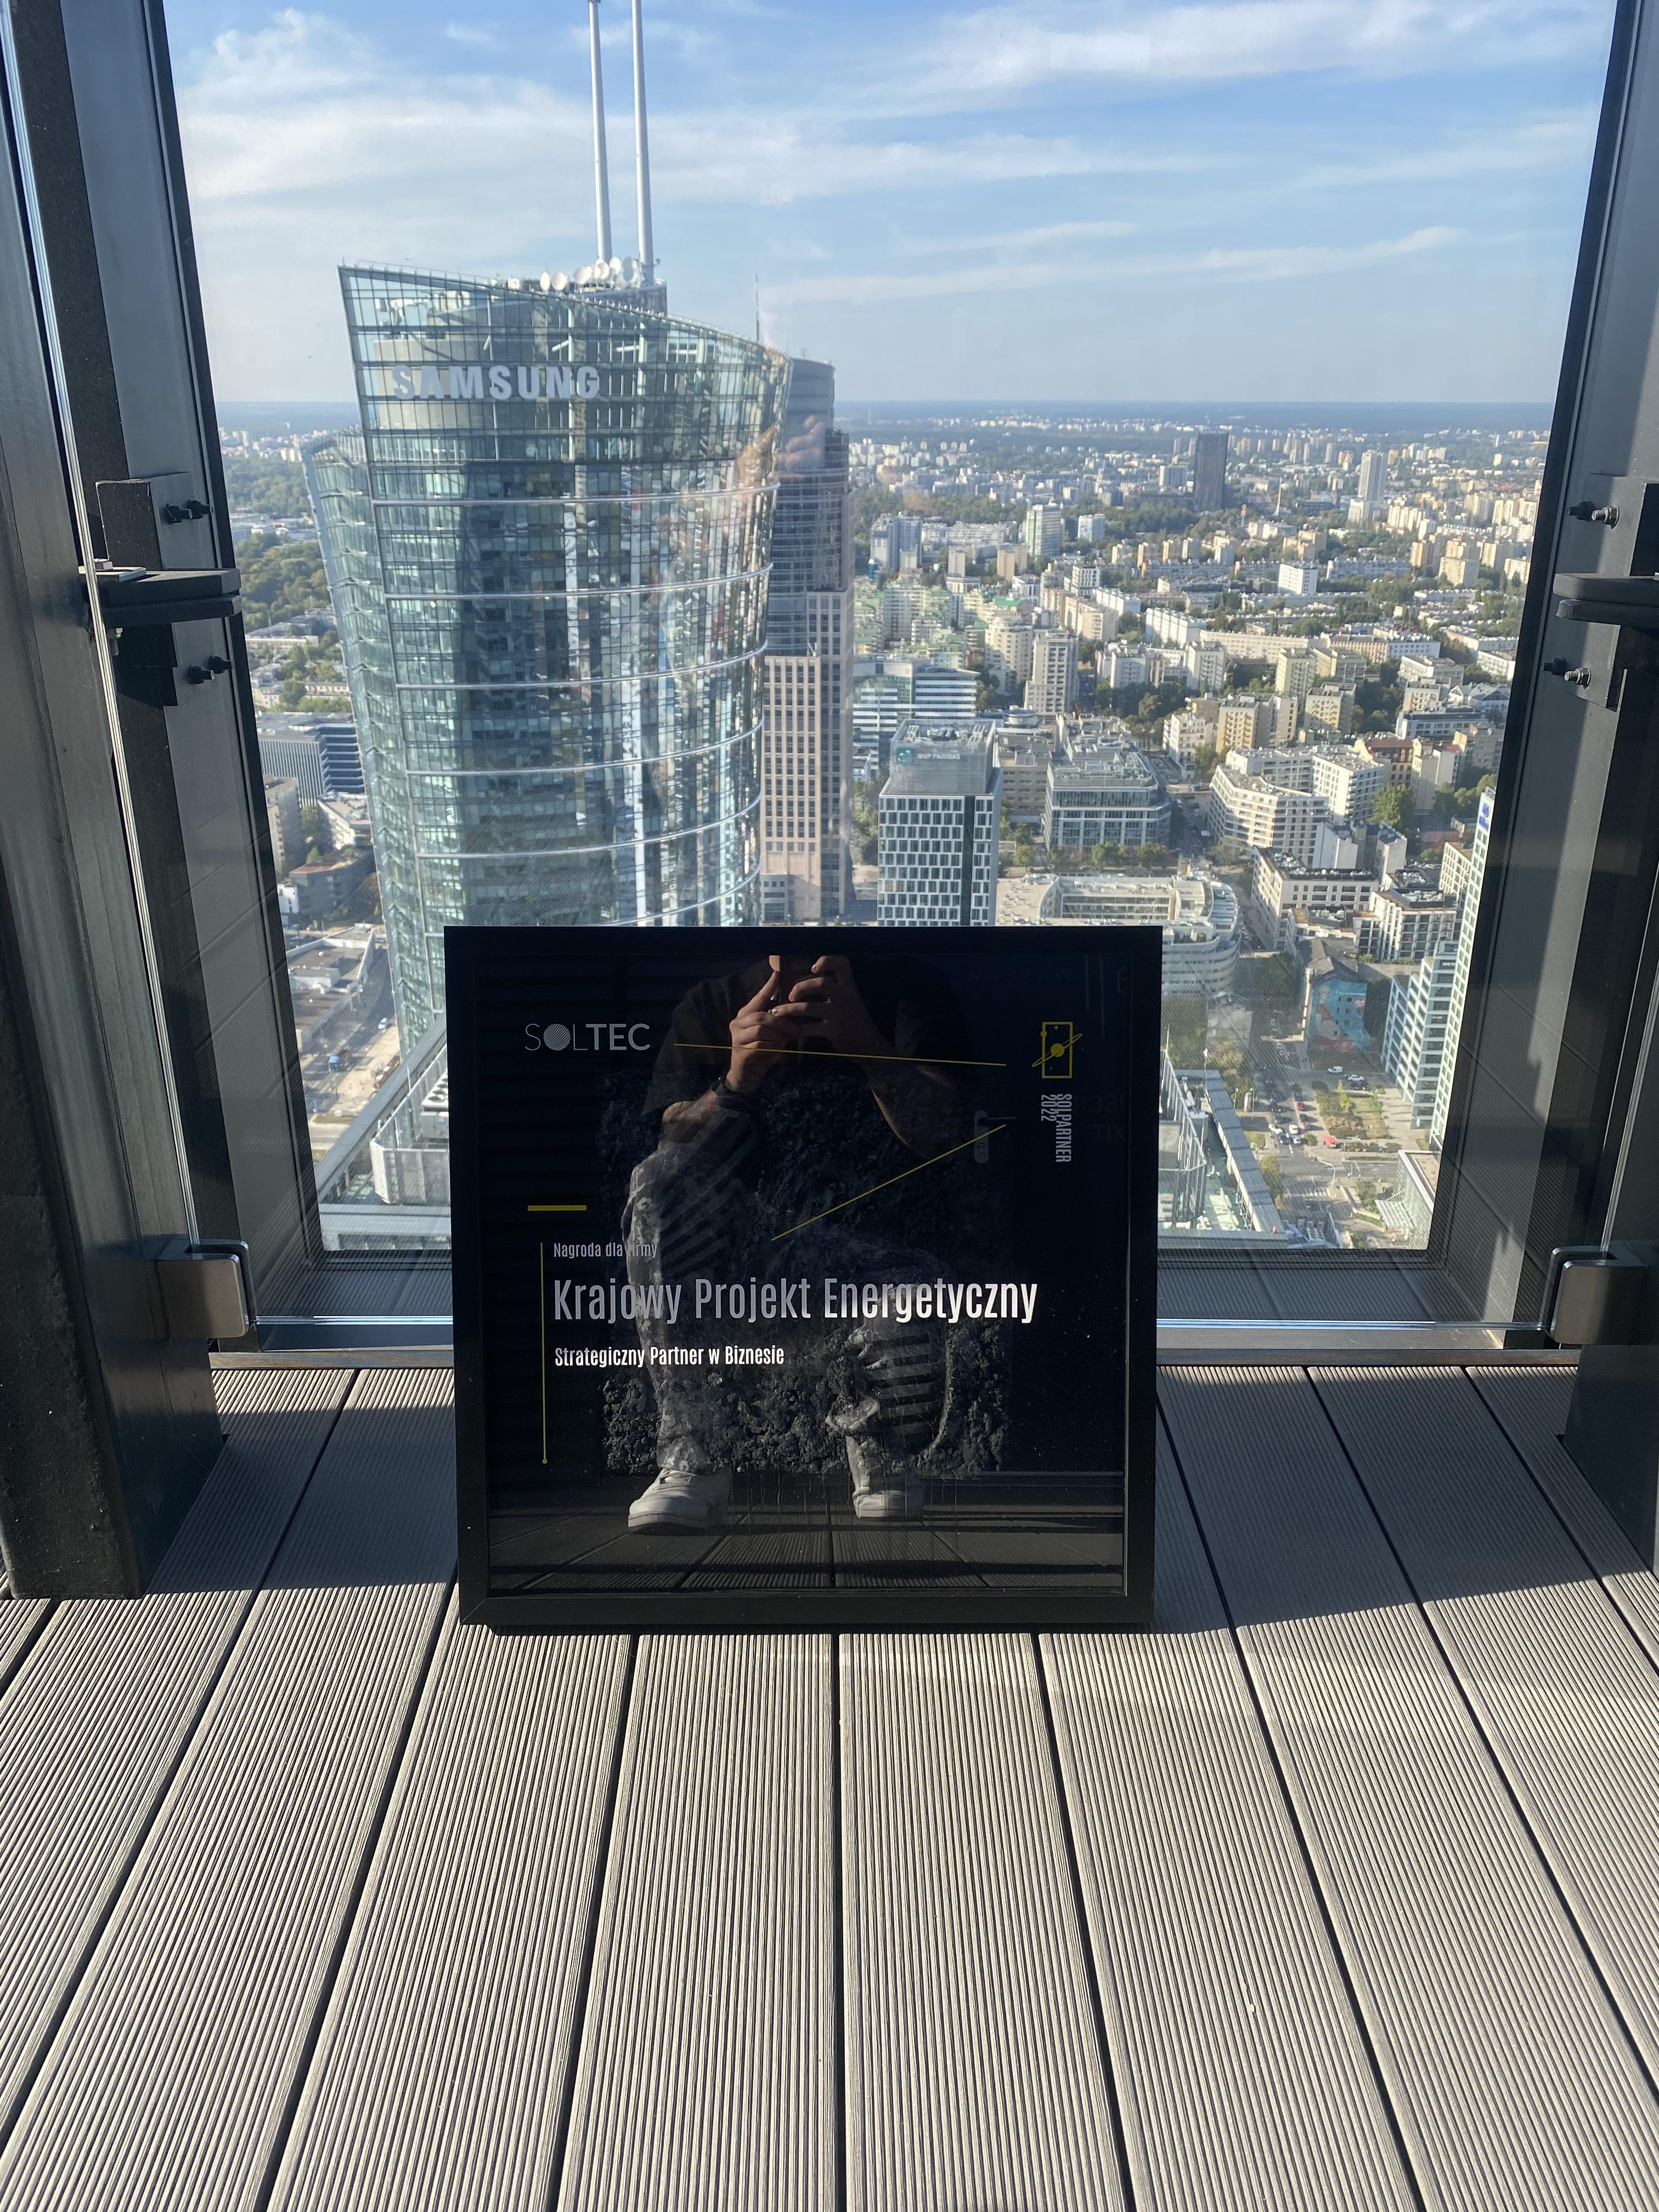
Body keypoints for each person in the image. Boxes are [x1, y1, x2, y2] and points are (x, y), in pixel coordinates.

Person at [622, 949, 976, 1527]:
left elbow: (947, 1137)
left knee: (910, 1288)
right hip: (749, 1261)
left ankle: (883, 1443)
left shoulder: (908, 987)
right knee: (656, 1182)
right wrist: (736, 1081)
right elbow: (672, 1166)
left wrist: (862, 1041)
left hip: (881, 1255)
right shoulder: (713, 1002)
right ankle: (693, 1455)